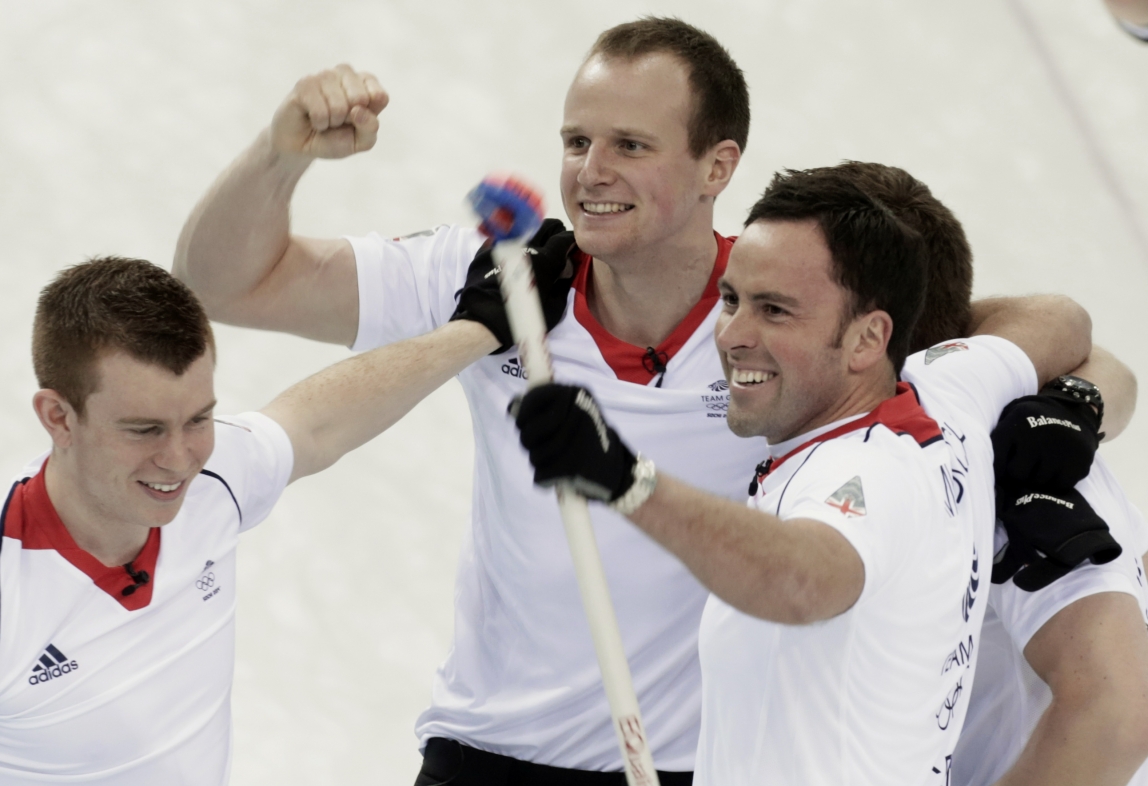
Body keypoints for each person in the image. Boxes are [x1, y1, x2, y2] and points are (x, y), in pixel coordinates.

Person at [175, 18, 760, 783]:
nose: (591, 172)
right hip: (483, 757)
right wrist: (281, 156)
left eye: (631, 146)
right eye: (577, 142)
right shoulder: (498, 273)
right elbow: (222, 282)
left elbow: (948, 328)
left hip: (690, 765)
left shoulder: (780, 313)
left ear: (717, 167)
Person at [510, 165, 1096, 785]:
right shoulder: (948, 390)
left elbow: (803, 580)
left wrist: (626, 481)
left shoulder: (867, 471)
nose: (733, 336)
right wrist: (1084, 398)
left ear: (869, 337)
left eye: (776, 311)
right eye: (731, 299)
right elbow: (1062, 319)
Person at [0, 256, 513, 785]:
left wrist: (481, 326)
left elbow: (317, 424)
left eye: (198, 419)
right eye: (144, 430)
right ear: (58, 417)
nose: (179, 459)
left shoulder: (212, 482)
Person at [832, 161, 1148, 786]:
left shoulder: (1017, 462)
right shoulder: (847, 426)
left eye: (781, 306)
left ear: (873, 334)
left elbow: (1116, 716)